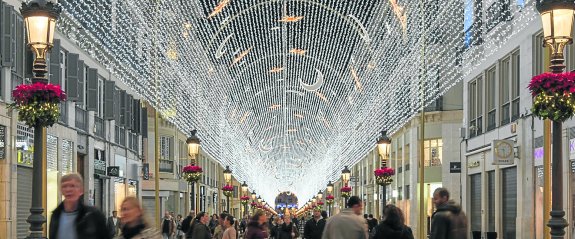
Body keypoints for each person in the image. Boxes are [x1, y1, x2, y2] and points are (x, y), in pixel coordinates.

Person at [48, 173, 109, 239]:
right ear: (61, 191)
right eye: (64, 186)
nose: (68, 190)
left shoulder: (93, 215)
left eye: (72, 186)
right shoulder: (56, 216)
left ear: (81, 190)